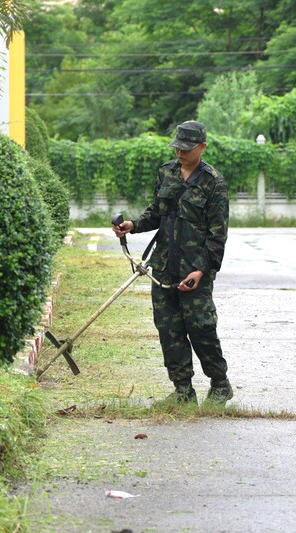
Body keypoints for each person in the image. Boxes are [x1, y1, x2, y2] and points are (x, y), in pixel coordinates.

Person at [112, 121, 232, 406]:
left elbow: (218, 235)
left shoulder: (214, 183)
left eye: (187, 148)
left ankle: (220, 385)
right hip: (164, 266)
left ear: (202, 147)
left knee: (201, 327)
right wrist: (133, 225)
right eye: (178, 147)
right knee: (169, 329)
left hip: (195, 269)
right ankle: (182, 391)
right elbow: (157, 212)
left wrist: (202, 269)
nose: (180, 152)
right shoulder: (166, 172)